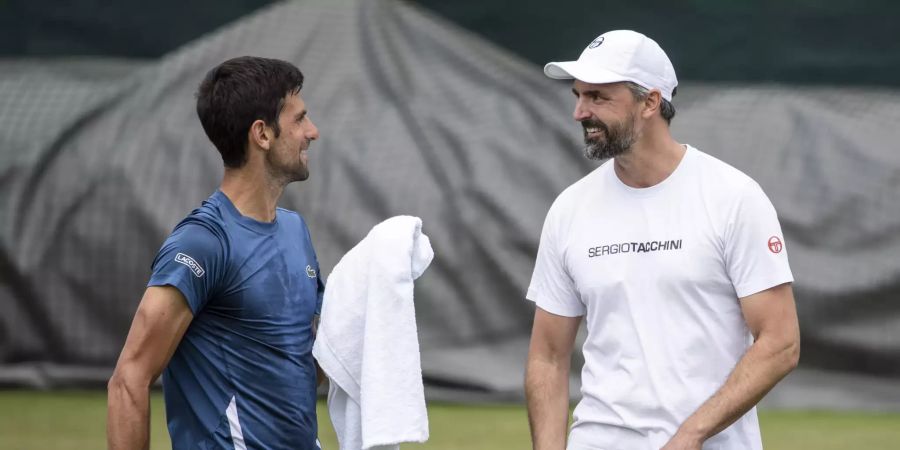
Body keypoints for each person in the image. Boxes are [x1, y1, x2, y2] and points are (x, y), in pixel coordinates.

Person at [524, 30, 800, 450]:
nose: (580, 112)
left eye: (598, 97)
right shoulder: (569, 209)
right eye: (578, 96)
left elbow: (780, 343)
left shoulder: (733, 197)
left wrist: (690, 436)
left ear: (651, 102)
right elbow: (547, 355)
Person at [107, 56, 324, 450]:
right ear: (262, 134)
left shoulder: (296, 231)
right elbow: (129, 379)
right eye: (299, 119)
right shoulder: (202, 243)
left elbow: (304, 368)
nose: (313, 132)